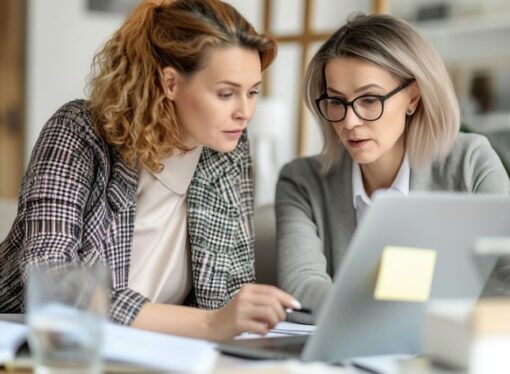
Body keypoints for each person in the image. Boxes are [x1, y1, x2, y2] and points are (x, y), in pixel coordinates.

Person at [0, 0, 301, 340]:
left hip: (161, 349)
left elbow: (232, 286)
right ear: (170, 83)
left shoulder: (226, 149)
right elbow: (52, 278)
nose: (245, 111)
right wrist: (211, 324)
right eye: (226, 93)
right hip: (42, 345)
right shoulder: (79, 131)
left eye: (253, 92)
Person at [275, 13, 510, 324]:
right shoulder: (302, 181)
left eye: (369, 99)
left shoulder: (469, 161)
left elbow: (505, 276)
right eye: (336, 101)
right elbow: (301, 288)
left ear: (413, 97)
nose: (349, 122)